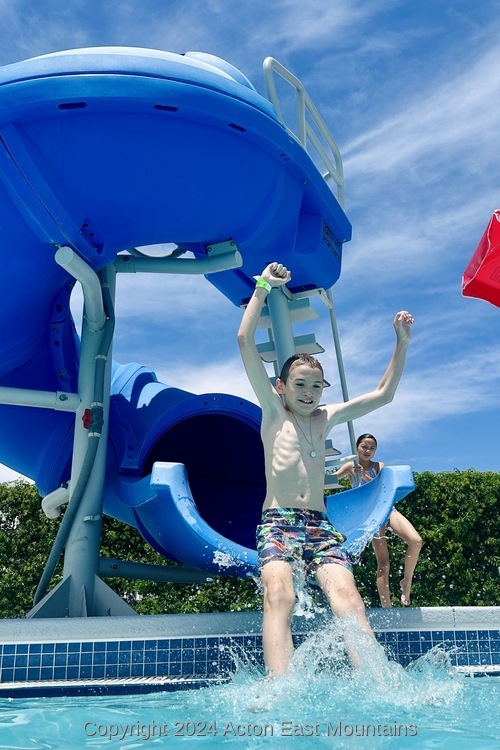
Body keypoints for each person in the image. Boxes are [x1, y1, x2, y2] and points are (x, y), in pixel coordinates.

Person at [237, 262, 414, 677]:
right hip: (277, 523)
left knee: (348, 599)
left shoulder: (326, 418)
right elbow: (245, 339)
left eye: (316, 386)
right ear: (281, 386)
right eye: (299, 384)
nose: (309, 392)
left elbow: (383, 395)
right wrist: (263, 287)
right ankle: (280, 688)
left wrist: (401, 343)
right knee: (280, 595)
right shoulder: (272, 412)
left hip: (319, 525)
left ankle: (375, 683)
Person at [335, 433, 423, 608]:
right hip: (371, 515)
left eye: (372, 448)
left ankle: (406, 582)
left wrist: (366, 477)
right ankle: (387, 607)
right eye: (364, 447)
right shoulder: (350, 467)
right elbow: (329, 479)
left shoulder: (379, 466)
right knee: (383, 561)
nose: (368, 450)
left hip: (387, 509)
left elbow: (384, 486)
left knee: (416, 540)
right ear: (357, 447)